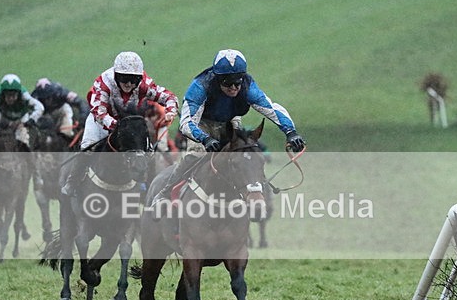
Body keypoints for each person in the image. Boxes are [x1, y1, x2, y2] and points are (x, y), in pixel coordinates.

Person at [152, 48, 305, 204]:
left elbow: (271, 109)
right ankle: (165, 193)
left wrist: (291, 132)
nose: (233, 87)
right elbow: (186, 123)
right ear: (218, 79)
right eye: (227, 83)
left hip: (230, 120)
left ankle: (255, 191)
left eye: (237, 82)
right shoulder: (200, 87)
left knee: (242, 153)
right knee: (195, 155)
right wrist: (205, 139)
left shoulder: (248, 87)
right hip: (201, 123)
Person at [61, 51, 179, 195]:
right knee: (87, 146)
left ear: (139, 78)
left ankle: (149, 188)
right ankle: (72, 182)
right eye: (124, 78)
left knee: (148, 152)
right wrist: (114, 125)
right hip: (101, 119)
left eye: (133, 79)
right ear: (116, 75)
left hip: (129, 123)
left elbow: (169, 97)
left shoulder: (145, 85)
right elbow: (99, 111)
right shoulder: (104, 83)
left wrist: (171, 111)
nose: (129, 83)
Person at [0, 74, 44, 150]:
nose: (11, 98)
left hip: (21, 118)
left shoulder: (25, 95)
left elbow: (40, 107)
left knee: (23, 139)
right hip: (3, 116)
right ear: (3, 94)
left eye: (13, 95)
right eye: (8, 95)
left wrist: (31, 120)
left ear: (18, 93)